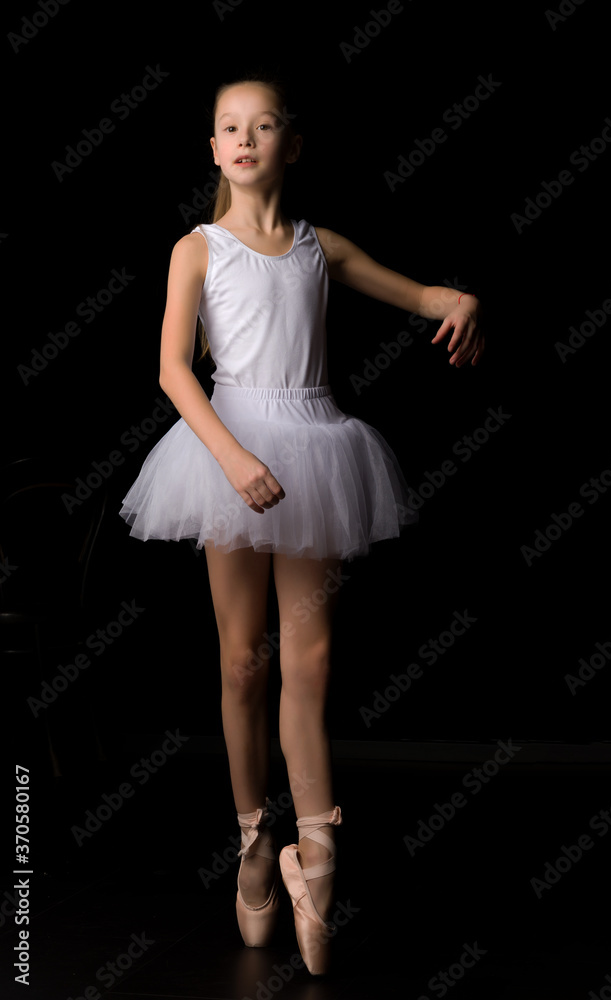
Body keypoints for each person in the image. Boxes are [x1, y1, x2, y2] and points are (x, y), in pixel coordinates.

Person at [119, 72, 484, 975]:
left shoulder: (323, 247)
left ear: (292, 144)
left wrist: (460, 301)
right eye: (228, 128)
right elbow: (171, 370)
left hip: (317, 446)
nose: (244, 139)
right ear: (213, 150)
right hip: (228, 449)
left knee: (310, 662)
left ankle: (317, 862)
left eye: (263, 124)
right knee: (244, 664)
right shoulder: (195, 248)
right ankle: (253, 844)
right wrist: (231, 458)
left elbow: (425, 295)